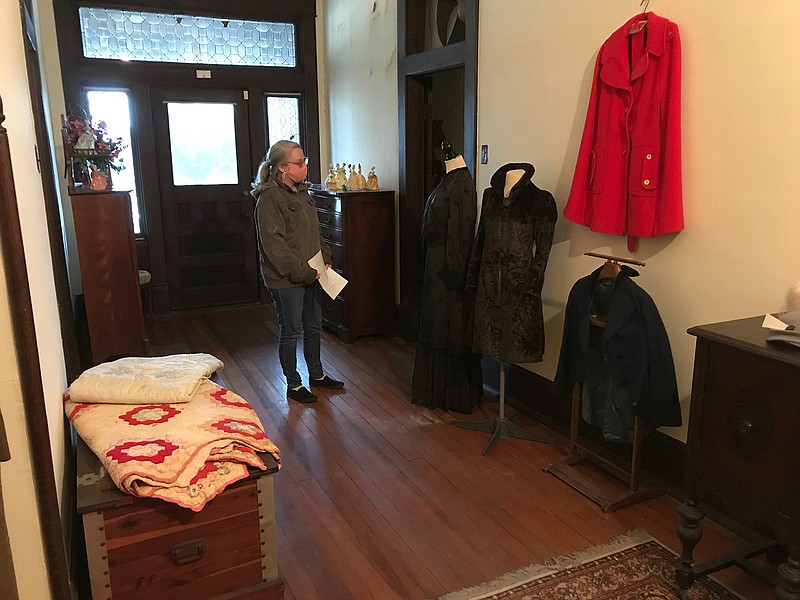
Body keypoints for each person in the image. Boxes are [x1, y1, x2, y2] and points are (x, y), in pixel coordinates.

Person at [252, 140, 344, 403]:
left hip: (313, 275)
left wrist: (325, 258)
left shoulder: (303, 193)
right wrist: (306, 272)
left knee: (313, 327)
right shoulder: (269, 198)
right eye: (299, 162)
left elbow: (315, 235)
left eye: (304, 161)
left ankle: (317, 375)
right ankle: (293, 384)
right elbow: (275, 248)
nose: (304, 167)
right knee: (291, 331)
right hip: (286, 280)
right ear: (282, 168)